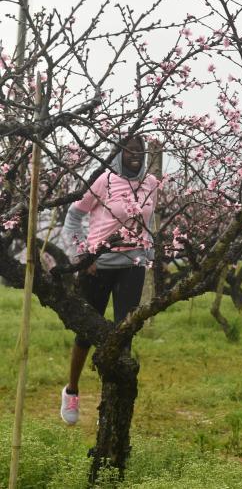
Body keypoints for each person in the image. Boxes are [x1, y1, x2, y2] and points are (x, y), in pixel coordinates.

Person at [59, 135, 159, 425]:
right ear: (119, 153)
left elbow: (148, 221)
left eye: (139, 150)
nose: (134, 155)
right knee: (87, 331)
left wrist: (148, 250)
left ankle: (110, 401)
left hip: (133, 264)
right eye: (129, 150)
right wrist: (82, 255)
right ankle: (72, 390)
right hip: (98, 265)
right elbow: (73, 216)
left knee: (124, 332)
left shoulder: (151, 183)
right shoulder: (104, 180)